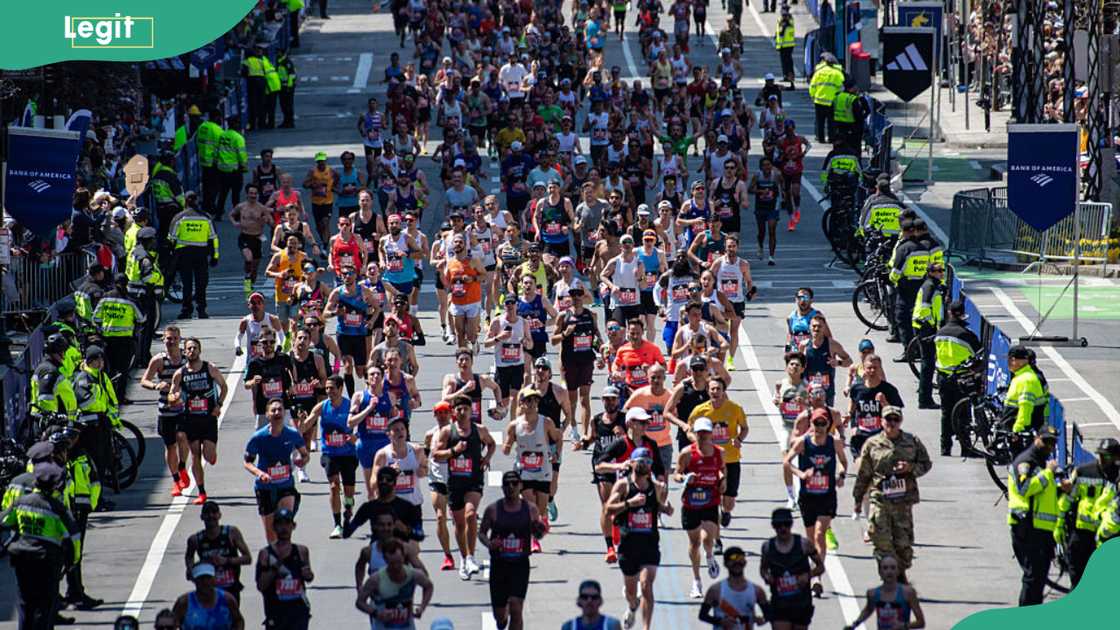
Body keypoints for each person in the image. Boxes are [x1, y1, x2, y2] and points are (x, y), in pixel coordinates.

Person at [852, 406, 932, 583]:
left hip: (903, 501)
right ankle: (888, 575)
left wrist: (911, 469)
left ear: (900, 421)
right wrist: (858, 499)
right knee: (880, 538)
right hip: (880, 498)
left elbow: (926, 464)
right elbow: (864, 473)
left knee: (903, 544)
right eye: (889, 420)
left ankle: (900, 572)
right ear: (882, 421)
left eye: (896, 420)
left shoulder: (912, 442)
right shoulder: (872, 444)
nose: (892, 424)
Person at [0, 462, 79, 630]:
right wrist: (71, 562)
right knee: (45, 606)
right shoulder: (57, 509)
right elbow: (72, 538)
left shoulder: (21, 502)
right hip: (47, 562)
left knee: (25, 604)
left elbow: (5, 521)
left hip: (22, 559)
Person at [431, 394, 498, 580]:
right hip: (455, 483)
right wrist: (454, 451)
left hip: (474, 480)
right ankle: (463, 558)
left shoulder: (480, 430)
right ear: (454, 412)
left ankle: (470, 556)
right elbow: (436, 454)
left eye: (465, 409)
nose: (462, 412)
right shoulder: (447, 432)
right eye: (458, 409)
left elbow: (491, 444)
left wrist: (486, 458)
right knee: (459, 524)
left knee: (470, 515)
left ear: (471, 411)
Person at [605, 447, 672, 630]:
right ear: (632, 463)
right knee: (632, 593)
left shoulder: (656, 486)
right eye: (641, 461)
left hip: (650, 544)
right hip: (628, 546)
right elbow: (608, 509)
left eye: (648, 462)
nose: (645, 465)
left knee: (646, 585)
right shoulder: (623, 485)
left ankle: (646, 627)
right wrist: (629, 503)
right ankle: (633, 606)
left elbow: (656, 506)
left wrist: (666, 509)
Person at [784, 408, 847, 597]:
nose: (819, 427)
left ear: (828, 425)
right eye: (816, 423)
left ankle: (817, 578)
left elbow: (844, 461)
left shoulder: (834, 442)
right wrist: (801, 474)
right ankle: (814, 569)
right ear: (810, 424)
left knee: (820, 534)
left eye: (823, 424)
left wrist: (842, 474)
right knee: (811, 539)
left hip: (827, 495)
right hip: (808, 496)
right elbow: (787, 462)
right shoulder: (803, 442)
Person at [478, 470, 548, 630]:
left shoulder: (530, 509)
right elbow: (481, 533)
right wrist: (489, 543)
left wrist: (539, 530)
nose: (511, 487)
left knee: (516, 609)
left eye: (514, 483)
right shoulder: (493, 510)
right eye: (507, 484)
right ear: (502, 488)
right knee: (500, 615)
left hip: (520, 564)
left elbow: (538, 534)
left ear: (520, 486)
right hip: (499, 565)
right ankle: (501, 622)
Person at [1007, 425, 1062, 606]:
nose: (1050, 446)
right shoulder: (1026, 461)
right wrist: (1048, 473)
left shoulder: (1040, 461)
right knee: (1032, 578)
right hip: (1028, 527)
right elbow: (1025, 488)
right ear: (1036, 438)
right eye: (1046, 441)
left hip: (1042, 529)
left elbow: (1044, 493)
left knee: (1038, 579)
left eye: (1053, 443)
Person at [171, 338, 230, 505]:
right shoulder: (180, 373)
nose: (191, 351)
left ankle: (211, 454)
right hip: (191, 419)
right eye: (188, 349)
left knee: (208, 456)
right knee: (195, 455)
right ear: (184, 352)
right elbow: (172, 394)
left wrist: (219, 405)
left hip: (208, 418)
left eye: (194, 348)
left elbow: (224, 387)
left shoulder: (209, 368)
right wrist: (173, 398)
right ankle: (202, 492)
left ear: (200, 350)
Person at [1056, 438, 1120, 587]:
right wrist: (1059, 524)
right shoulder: (1083, 471)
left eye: (1107, 456)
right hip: (1082, 535)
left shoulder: (1117, 477)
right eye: (1101, 455)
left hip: (1108, 537)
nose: (1103, 459)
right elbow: (1068, 499)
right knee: (1077, 579)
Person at [302, 374, 358, 538]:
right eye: (326, 388)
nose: (329, 391)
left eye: (332, 388)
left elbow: (362, 426)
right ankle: (337, 525)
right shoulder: (321, 407)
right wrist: (302, 422)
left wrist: (356, 438)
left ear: (341, 389)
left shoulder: (350, 406)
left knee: (349, 493)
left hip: (348, 453)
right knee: (334, 486)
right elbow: (305, 426)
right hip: (330, 453)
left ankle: (348, 507)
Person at [676, 417, 727, 599]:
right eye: (700, 433)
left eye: (706, 432)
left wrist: (722, 481)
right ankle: (696, 580)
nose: (703, 436)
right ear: (695, 434)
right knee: (695, 542)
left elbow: (722, 470)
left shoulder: (719, 452)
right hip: (690, 503)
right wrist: (684, 478)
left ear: (711, 433)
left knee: (707, 539)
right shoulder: (687, 453)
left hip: (710, 501)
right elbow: (676, 474)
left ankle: (710, 555)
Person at [245, 398, 309, 541]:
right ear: (267, 415)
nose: (277, 412)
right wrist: (260, 473)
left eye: (280, 409)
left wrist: (301, 460)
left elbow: (305, 454)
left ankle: (286, 554)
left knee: (285, 525)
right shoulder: (258, 437)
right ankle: (275, 559)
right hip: (265, 488)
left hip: (286, 485)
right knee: (271, 535)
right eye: (273, 410)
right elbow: (247, 462)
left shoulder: (292, 434)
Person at [141, 327, 191, 495]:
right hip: (166, 409)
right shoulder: (159, 360)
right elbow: (144, 380)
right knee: (170, 446)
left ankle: (183, 466)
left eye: (175, 338)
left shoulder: (187, 358)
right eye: (169, 338)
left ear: (180, 340)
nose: (172, 341)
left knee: (183, 437)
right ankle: (176, 479)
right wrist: (156, 385)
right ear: (164, 340)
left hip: (184, 408)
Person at [759, 507, 824, 630]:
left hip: (801, 602)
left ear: (791, 524)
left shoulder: (804, 544)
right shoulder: (768, 547)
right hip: (779, 601)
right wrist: (767, 576)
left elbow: (820, 567)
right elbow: (763, 569)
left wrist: (808, 575)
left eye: (786, 524)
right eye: (779, 525)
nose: (783, 528)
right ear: (773, 526)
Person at [933, 300, 982, 456]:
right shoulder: (967, 335)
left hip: (943, 377)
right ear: (962, 315)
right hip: (962, 378)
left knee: (946, 413)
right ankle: (966, 448)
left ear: (949, 313)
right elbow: (979, 355)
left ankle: (945, 447)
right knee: (963, 414)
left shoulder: (940, 333)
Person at [355, 538, 434, 630]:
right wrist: (376, 613)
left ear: (403, 558)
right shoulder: (376, 579)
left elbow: (428, 586)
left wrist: (422, 608)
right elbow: (360, 602)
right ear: (385, 560)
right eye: (392, 564)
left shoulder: (413, 575)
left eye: (399, 563)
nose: (396, 567)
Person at [255, 507, 314, 630]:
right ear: (274, 527)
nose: (284, 528)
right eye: (280, 523)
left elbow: (308, 577)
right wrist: (275, 568)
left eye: (287, 523)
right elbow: (261, 585)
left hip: (298, 613)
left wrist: (307, 574)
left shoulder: (301, 551)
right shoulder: (266, 554)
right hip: (275, 613)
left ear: (293, 526)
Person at [185, 501, 253, 604]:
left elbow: (247, 558)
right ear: (202, 517)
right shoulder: (195, 539)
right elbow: (189, 558)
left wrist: (226, 561)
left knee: (230, 618)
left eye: (214, 512)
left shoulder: (231, 533)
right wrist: (193, 570)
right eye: (207, 513)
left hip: (230, 589)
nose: (211, 516)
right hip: (207, 590)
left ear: (219, 515)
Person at [92, 273, 145, 402]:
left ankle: (107, 396)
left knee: (107, 369)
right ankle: (120, 396)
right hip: (125, 340)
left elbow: (96, 318)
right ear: (126, 284)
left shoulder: (105, 298)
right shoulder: (130, 300)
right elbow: (142, 319)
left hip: (107, 339)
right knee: (123, 370)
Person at [169, 195, 221, 319]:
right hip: (201, 254)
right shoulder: (206, 217)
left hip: (184, 255)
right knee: (201, 283)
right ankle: (201, 310)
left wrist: (171, 255)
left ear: (186, 202)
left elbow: (171, 238)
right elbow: (214, 239)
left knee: (187, 284)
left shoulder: (179, 217)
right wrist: (215, 256)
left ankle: (186, 310)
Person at [844, 555, 926, 630]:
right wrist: (854, 625)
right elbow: (868, 610)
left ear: (898, 571)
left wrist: (903, 625)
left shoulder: (908, 593)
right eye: (885, 568)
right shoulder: (873, 593)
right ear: (880, 572)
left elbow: (921, 622)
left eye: (893, 568)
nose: (889, 571)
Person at [698, 546, 769, 629]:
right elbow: (702, 615)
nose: (737, 563)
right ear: (725, 564)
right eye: (733, 561)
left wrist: (761, 619)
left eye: (740, 560)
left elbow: (769, 614)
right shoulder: (715, 590)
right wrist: (720, 621)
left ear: (745, 563)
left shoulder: (757, 591)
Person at [888, 219, 931, 351]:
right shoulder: (924, 249)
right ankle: (918, 347)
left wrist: (893, 280)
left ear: (904, 232)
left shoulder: (904, 248)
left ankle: (908, 350)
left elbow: (896, 272)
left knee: (902, 317)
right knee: (916, 319)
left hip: (905, 287)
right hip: (921, 285)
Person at [911, 262, 946, 409]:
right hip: (925, 328)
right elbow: (925, 308)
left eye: (942, 270)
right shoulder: (929, 286)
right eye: (938, 271)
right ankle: (925, 399)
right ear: (931, 272)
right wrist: (933, 325)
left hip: (925, 327)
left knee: (928, 363)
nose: (941, 272)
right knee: (928, 364)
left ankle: (924, 394)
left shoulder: (933, 285)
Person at [172, 562, 246, 630]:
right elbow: (171, 624)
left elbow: (239, 620)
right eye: (201, 578)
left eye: (208, 578)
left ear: (214, 579)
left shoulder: (227, 600)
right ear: (194, 580)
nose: (205, 582)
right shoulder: (184, 602)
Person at [245, 328, 293, 428]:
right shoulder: (254, 363)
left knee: (283, 438)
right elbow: (246, 384)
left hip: (282, 406)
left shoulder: (283, 358)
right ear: (259, 343)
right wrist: (253, 381)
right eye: (265, 342)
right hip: (263, 409)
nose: (268, 344)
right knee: (262, 439)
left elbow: (293, 374)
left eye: (271, 341)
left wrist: (292, 385)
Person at [232, 184, 275, 296]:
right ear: (247, 194)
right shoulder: (241, 207)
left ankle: (250, 284)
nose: (253, 195)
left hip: (257, 238)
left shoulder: (261, 208)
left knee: (255, 268)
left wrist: (267, 220)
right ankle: (246, 277)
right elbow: (231, 215)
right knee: (248, 258)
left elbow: (272, 223)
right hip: (245, 237)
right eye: (251, 193)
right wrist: (235, 223)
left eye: (255, 193)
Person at [1003, 345, 1050, 434]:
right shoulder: (1020, 376)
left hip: (1020, 433)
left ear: (1018, 361)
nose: (1008, 362)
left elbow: (1025, 407)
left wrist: (1017, 429)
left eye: (1011, 359)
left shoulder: (1026, 380)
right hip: (1012, 429)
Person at [808, 52, 843, 144]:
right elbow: (841, 87)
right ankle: (831, 138)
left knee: (820, 121)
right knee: (831, 121)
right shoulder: (837, 73)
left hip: (819, 100)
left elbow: (812, 85)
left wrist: (812, 95)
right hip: (832, 101)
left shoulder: (818, 72)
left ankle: (821, 138)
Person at [775, 10, 796, 88]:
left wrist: (778, 45)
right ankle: (790, 76)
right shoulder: (791, 22)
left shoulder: (784, 24)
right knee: (789, 62)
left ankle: (787, 76)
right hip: (790, 45)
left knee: (786, 63)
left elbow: (780, 35)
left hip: (784, 46)